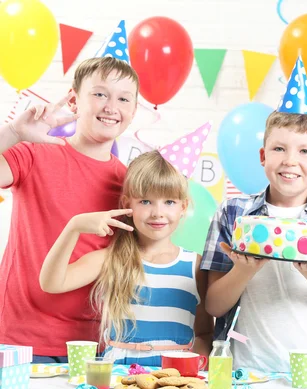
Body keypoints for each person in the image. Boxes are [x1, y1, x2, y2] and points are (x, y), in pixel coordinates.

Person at [201, 57, 307, 375]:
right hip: (246, 369)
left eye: (304, 151)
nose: (291, 161)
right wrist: (243, 271)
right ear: (263, 156)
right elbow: (213, 306)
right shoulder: (232, 214)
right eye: (279, 149)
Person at [0, 57, 139, 362]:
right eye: (100, 94)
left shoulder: (131, 185)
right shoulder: (35, 154)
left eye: (123, 98)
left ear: (134, 110)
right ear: (74, 101)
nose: (111, 106)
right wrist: (13, 132)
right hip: (19, 339)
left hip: (89, 347)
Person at [39, 150, 214, 365]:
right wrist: (73, 228)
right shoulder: (111, 259)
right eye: (145, 202)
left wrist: (198, 365)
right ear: (126, 204)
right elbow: (52, 283)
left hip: (174, 379)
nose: (158, 212)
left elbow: (204, 333)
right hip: (117, 377)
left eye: (169, 202)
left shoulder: (194, 264)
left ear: (183, 207)